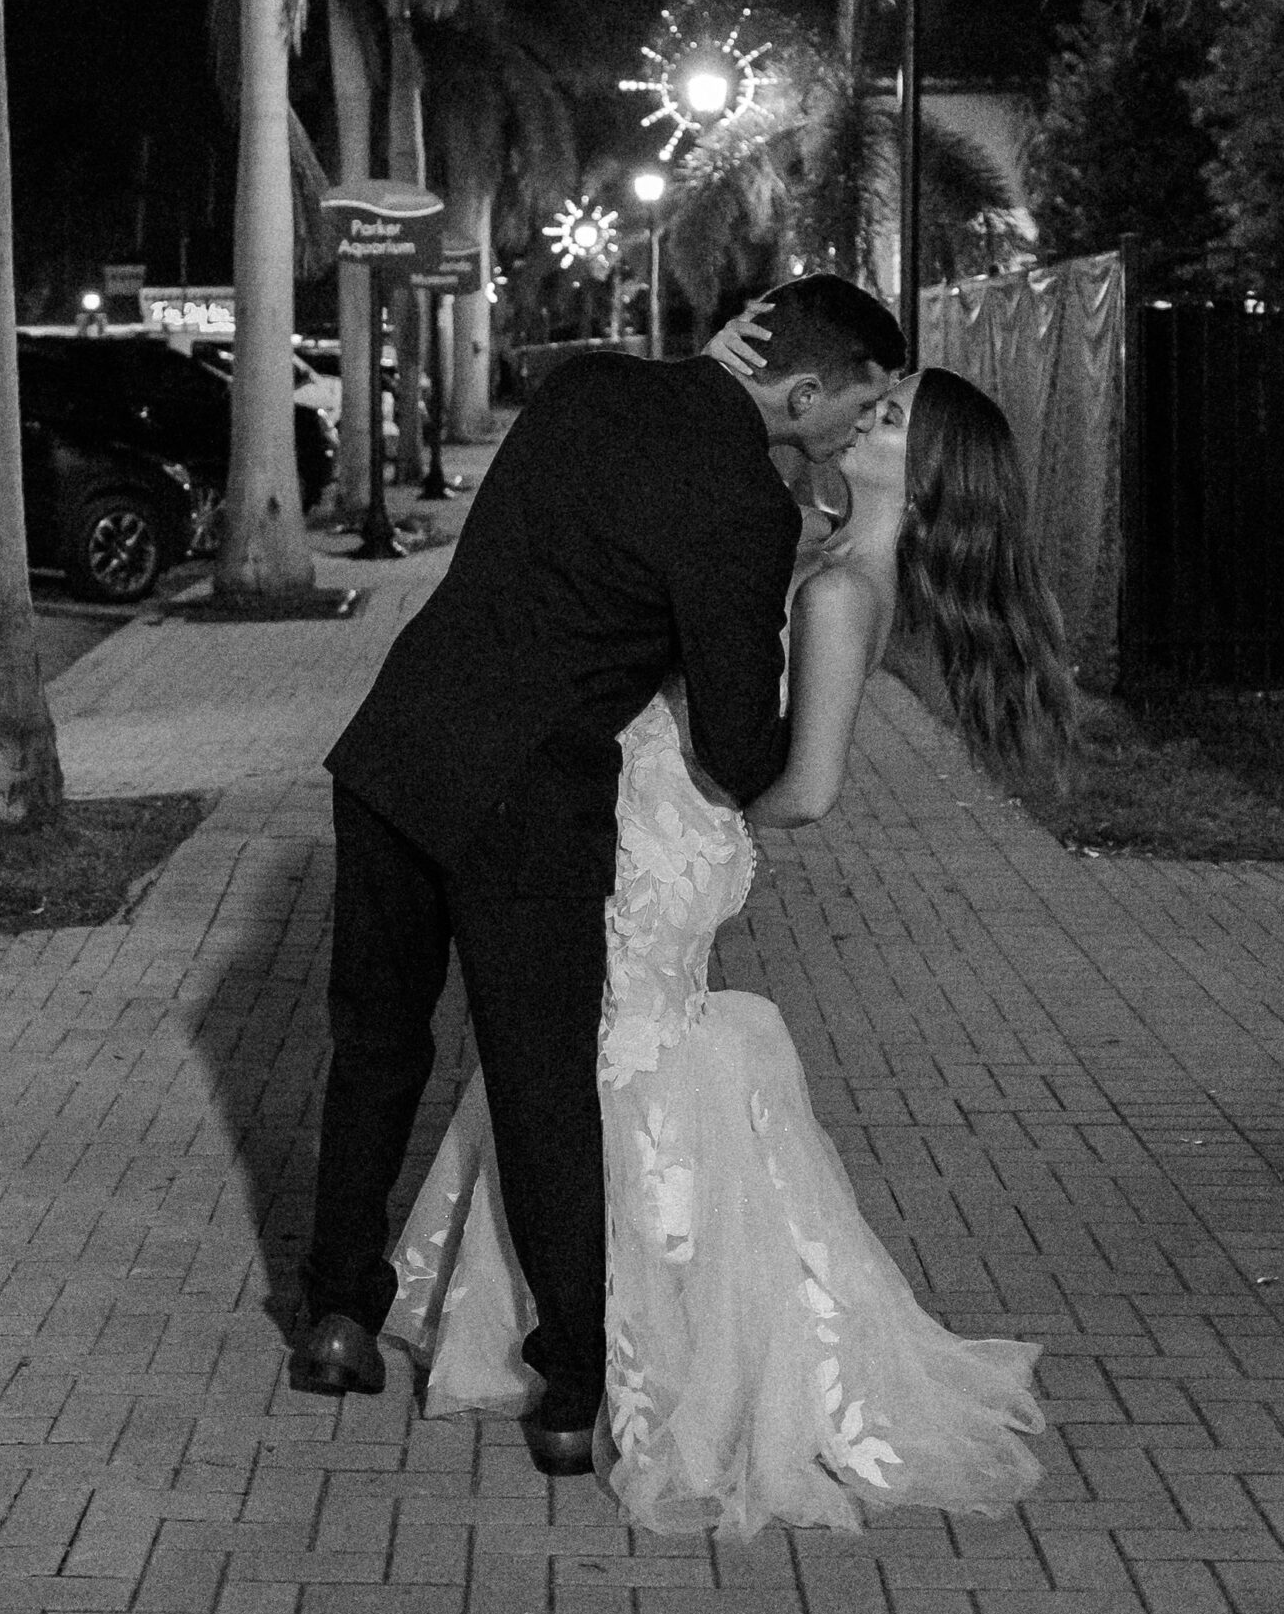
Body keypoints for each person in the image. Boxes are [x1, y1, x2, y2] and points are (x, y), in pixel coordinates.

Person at [386, 352, 1078, 1533]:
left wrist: (695, 789)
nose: (866, 415)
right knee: (590, 1062)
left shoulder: (842, 590)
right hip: (655, 819)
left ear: (924, 466)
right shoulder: (836, 557)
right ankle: (611, 1335)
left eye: (892, 416)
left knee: (600, 1062)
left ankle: (637, 1351)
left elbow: (802, 789)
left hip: (663, 834)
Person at [292, 276, 904, 1478]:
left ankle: (333, 1317)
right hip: (524, 803)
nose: (851, 435)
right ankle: (571, 1387)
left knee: (374, 1044)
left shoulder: (583, 388)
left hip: (392, 751)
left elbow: (641, 439)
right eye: (858, 406)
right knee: (542, 1083)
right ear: (800, 387)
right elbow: (737, 749)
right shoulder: (741, 502)